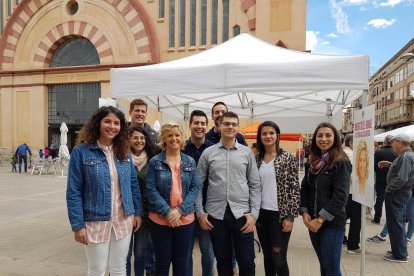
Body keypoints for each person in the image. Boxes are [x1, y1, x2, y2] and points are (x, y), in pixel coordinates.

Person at [66, 106, 144, 275]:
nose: (112, 126)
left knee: (119, 267)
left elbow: (133, 185)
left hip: (123, 219)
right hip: (95, 220)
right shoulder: (81, 152)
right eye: (107, 121)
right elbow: (73, 191)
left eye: (117, 123)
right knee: (97, 270)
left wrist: (137, 212)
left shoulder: (124, 153)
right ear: (97, 123)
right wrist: (78, 225)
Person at [196, 111, 261, 276]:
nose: (230, 127)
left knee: (246, 261)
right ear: (219, 126)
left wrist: (254, 214)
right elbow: (197, 184)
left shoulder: (247, 153)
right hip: (216, 216)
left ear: (238, 128)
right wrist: (200, 213)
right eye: (226, 123)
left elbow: (255, 184)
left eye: (234, 124)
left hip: (242, 215)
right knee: (223, 261)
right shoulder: (208, 153)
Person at [146, 122, 200, 276]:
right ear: (164, 138)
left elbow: (195, 188)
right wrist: (168, 212)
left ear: (182, 137)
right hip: (160, 219)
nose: (174, 138)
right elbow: (151, 189)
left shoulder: (190, 161)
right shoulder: (155, 161)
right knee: (162, 262)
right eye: (169, 135)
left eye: (177, 135)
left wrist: (180, 211)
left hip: (185, 219)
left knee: (181, 261)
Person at [300, 122, 351, 276]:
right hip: (313, 221)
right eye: (320, 135)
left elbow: (340, 196)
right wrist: (304, 212)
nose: (323, 139)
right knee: (324, 265)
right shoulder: (313, 161)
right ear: (315, 138)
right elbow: (305, 188)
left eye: (328, 135)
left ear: (335, 138)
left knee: (331, 269)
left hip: (331, 224)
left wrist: (320, 219)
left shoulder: (341, 162)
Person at [255, 121, 300, 276]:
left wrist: (290, 217)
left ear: (277, 135)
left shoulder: (287, 157)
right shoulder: (256, 159)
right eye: (264, 133)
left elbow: (295, 188)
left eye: (271, 133)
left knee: (278, 258)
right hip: (261, 214)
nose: (268, 136)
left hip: (279, 215)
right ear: (260, 137)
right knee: (267, 257)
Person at [183, 110, 215, 276]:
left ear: (206, 126)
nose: (200, 126)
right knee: (186, 250)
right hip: (185, 207)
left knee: (207, 250)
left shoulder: (213, 149)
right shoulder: (181, 148)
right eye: (196, 123)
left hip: (207, 208)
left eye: (203, 123)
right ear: (190, 125)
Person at [126, 126, 158, 276]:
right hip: (125, 212)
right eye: (135, 138)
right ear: (129, 139)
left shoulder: (153, 158)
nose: (139, 141)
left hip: (146, 213)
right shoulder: (121, 157)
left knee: (140, 253)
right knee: (124, 254)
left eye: (142, 138)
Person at [380, 133, 414, 263]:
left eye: (394, 142)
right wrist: (390, 164)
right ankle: (398, 249)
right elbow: (403, 172)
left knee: (396, 223)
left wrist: (390, 188)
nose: (392, 145)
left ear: (400, 142)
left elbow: (402, 178)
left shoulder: (405, 156)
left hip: (397, 193)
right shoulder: (407, 155)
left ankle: (400, 254)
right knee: (397, 222)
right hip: (401, 193)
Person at [342, 134, 362, 254]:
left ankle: (342, 239)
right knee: (356, 219)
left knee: (344, 217)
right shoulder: (350, 155)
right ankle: (353, 245)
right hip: (352, 192)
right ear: (351, 143)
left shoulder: (344, 152)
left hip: (348, 191)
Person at [372, 135, 397, 224]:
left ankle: (377, 218)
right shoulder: (396, 153)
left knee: (380, 198)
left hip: (380, 178)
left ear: (385, 142)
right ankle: (389, 220)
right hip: (392, 180)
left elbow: (374, 166)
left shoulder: (378, 152)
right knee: (390, 199)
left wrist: (378, 172)